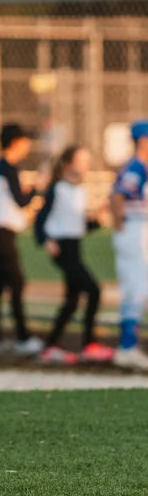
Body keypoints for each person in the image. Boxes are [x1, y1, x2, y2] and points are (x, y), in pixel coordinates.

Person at [34, 145, 113, 364]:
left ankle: (50, 345)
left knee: (72, 300)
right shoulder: (57, 189)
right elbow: (40, 219)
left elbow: (78, 226)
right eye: (82, 161)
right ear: (68, 164)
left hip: (75, 246)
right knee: (94, 290)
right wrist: (46, 240)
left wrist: (95, 221)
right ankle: (89, 344)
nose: (86, 166)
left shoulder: (79, 190)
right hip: (62, 248)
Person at [0, 123, 44, 355]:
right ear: (16, 142)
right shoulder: (8, 167)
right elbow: (21, 200)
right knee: (16, 282)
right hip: (1, 232)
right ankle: (22, 336)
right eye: (25, 140)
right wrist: (38, 189)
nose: (28, 145)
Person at [109, 120, 148, 370]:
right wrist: (120, 224)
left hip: (137, 228)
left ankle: (129, 344)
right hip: (135, 228)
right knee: (138, 287)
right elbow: (118, 194)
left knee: (138, 286)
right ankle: (127, 346)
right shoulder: (136, 167)